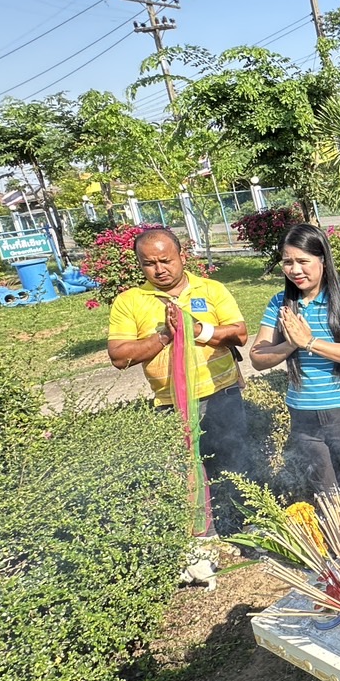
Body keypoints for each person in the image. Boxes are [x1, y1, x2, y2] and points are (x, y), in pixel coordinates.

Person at [106, 227, 249, 534]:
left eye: (166, 260)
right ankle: (203, 534)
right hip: (172, 405)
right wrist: (165, 336)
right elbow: (119, 357)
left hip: (220, 394)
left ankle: (243, 524)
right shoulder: (130, 302)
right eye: (149, 263)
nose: (159, 269)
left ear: (183, 256)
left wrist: (200, 331)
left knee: (234, 461)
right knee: (189, 471)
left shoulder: (211, 290)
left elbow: (240, 333)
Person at [250, 224, 340, 504]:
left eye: (302, 261)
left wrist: (310, 343)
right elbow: (258, 357)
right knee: (327, 499)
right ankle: (338, 548)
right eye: (288, 262)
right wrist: (291, 343)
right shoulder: (281, 305)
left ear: (322, 259)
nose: (295, 270)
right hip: (305, 419)